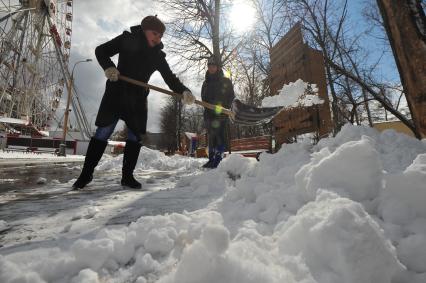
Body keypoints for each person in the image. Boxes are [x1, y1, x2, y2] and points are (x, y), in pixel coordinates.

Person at [73, 15, 195, 190]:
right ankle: (86, 174)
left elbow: (170, 78)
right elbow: (101, 50)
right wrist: (108, 67)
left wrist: (184, 91)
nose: (157, 39)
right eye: (154, 34)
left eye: (160, 36)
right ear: (145, 30)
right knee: (103, 132)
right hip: (116, 93)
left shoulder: (158, 56)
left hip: (137, 99)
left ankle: (127, 176)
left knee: (134, 137)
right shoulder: (126, 39)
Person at [201, 56, 235, 168]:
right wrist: (207, 110)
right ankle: (211, 160)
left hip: (221, 114)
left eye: (213, 65)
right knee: (211, 138)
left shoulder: (225, 81)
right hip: (209, 115)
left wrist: (223, 109)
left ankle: (218, 160)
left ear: (218, 67)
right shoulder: (205, 83)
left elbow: (231, 96)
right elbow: (203, 99)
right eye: (209, 65)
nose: (211, 68)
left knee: (220, 137)